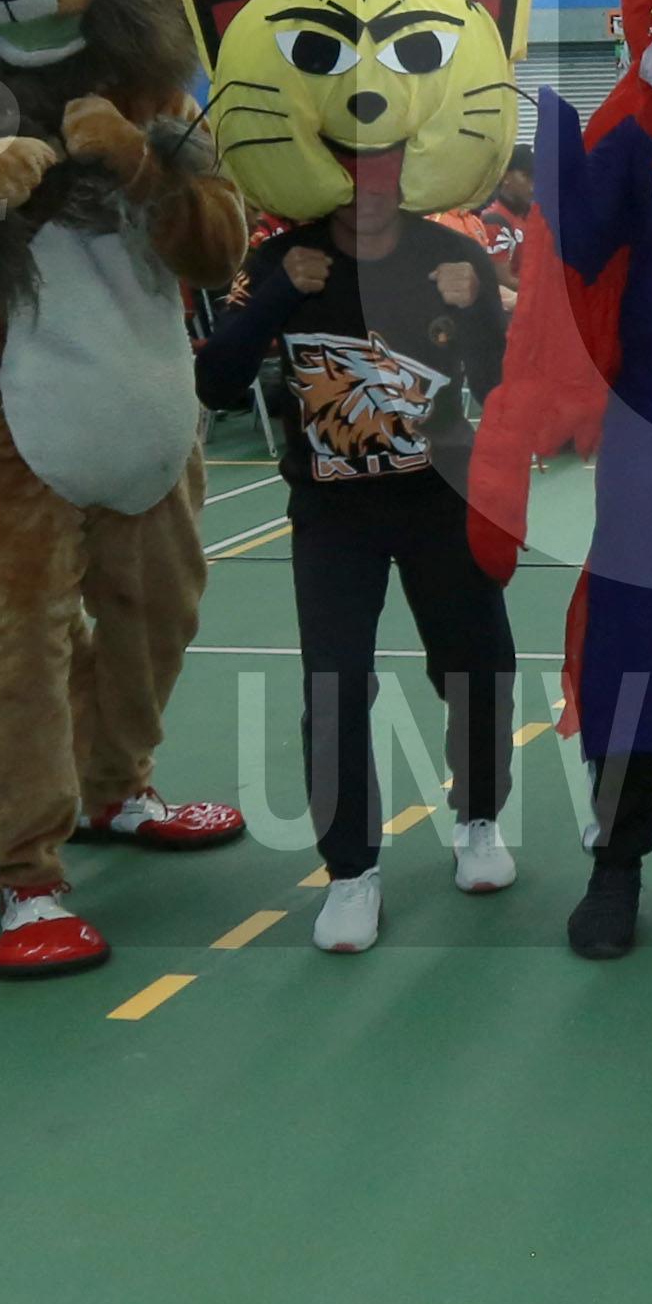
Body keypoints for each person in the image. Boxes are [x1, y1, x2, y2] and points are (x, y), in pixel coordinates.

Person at [192, 162, 518, 955]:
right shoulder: (280, 258)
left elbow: (500, 384)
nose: (369, 187)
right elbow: (216, 380)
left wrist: (478, 310)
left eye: (385, 168)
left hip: (442, 501)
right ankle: (350, 870)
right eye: (351, 169)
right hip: (333, 516)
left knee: (479, 666)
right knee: (334, 685)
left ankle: (479, 818)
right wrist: (276, 296)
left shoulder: (453, 252)